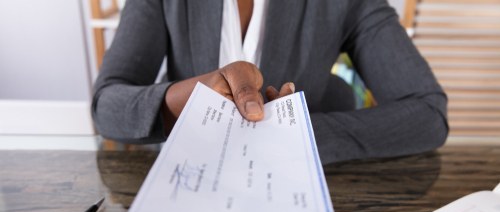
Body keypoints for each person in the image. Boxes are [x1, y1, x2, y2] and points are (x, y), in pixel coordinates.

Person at [92, 0, 448, 164]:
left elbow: (428, 114)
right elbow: (106, 106)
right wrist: (194, 96)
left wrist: (296, 133)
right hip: (185, 183)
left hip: (297, 200)